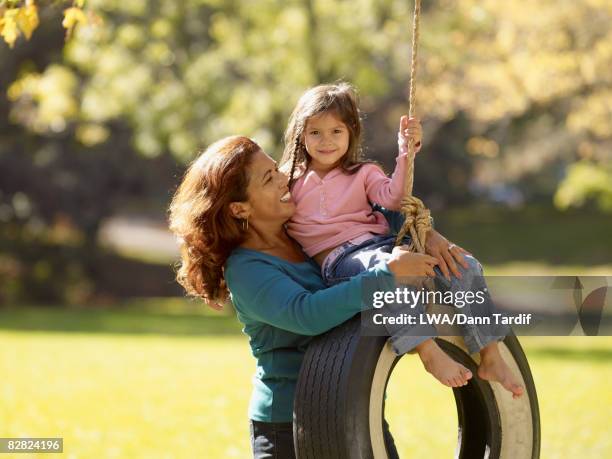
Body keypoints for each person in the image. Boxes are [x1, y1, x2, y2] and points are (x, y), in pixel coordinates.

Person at [168, 135, 520, 458]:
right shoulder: (246, 268)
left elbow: (375, 218)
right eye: (267, 178)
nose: (283, 178)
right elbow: (306, 314)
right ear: (239, 209)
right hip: (290, 426)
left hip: (354, 405)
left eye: (276, 169)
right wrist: (387, 276)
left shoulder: (303, 232)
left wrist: (429, 235)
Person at [280, 82, 524, 397]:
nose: (326, 141)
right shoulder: (288, 181)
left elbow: (394, 197)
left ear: (351, 132)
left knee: (465, 265)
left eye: (336, 132)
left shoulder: (363, 173)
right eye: (316, 133)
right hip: (340, 260)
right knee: (391, 273)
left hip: (379, 244)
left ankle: (490, 354)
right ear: (301, 133)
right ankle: (427, 350)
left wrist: (405, 152)